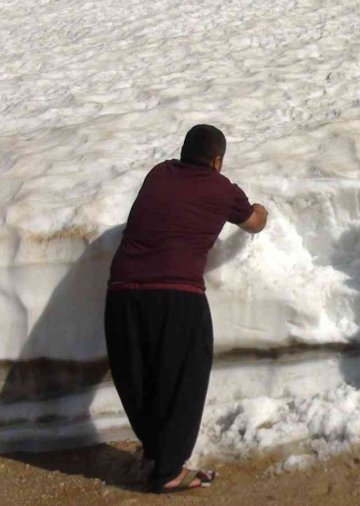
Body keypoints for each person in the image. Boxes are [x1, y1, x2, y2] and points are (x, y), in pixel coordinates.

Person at [104, 124, 268, 492]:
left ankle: (153, 451)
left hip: (121, 292)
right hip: (177, 295)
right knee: (184, 378)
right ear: (217, 160)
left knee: (138, 375)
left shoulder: (158, 173)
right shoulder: (222, 189)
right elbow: (254, 223)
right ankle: (169, 471)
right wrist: (262, 209)